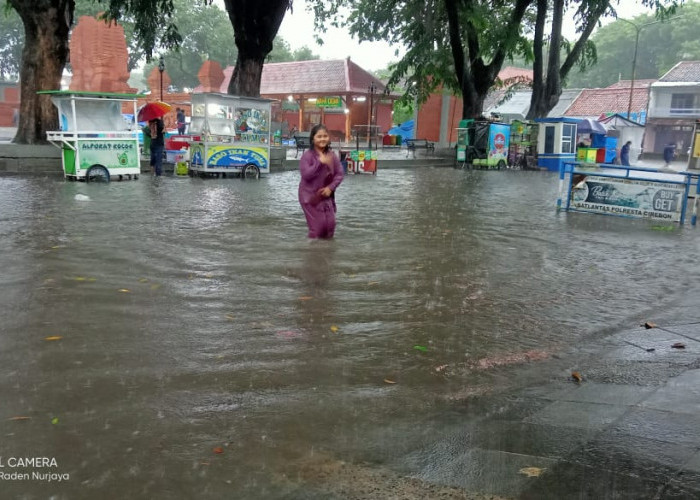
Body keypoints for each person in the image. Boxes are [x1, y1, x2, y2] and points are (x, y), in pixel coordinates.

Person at [298, 124, 344, 239]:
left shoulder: (332, 156)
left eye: (325, 136)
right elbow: (306, 175)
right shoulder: (307, 156)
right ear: (313, 139)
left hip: (326, 194)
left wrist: (331, 187)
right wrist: (319, 163)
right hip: (309, 197)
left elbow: (340, 174)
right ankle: (312, 253)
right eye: (319, 136)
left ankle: (327, 254)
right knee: (318, 228)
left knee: (330, 226)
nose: (322, 139)